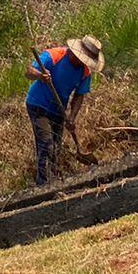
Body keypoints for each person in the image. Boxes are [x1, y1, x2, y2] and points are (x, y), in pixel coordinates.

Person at [25, 35, 104, 184]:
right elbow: (29, 72)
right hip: (38, 104)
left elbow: (79, 95)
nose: (83, 62)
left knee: (56, 148)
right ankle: (43, 185)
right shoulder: (53, 56)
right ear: (76, 52)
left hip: (58, 109)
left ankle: (52, 181)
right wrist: (41, 76)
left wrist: (72, 116)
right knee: (46, 143)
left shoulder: (84, 72)